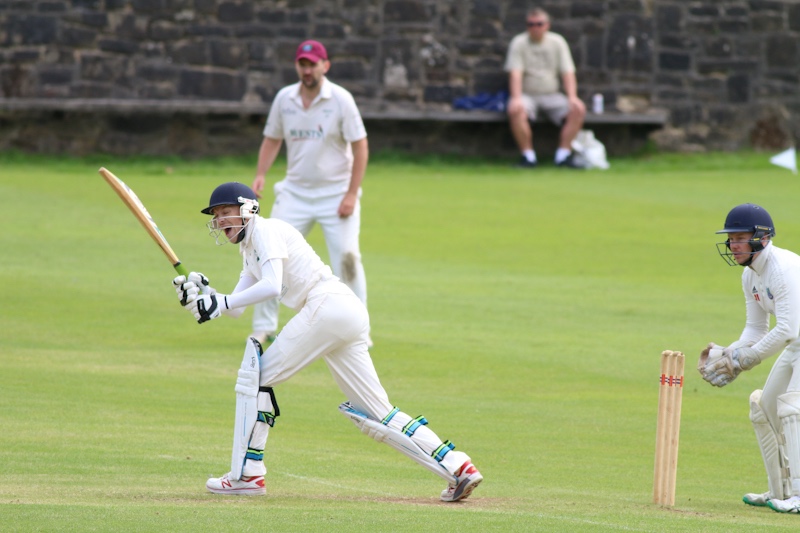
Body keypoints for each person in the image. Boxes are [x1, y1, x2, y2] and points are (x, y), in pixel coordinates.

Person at [172, 182, 483, 501]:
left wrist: (219, 303)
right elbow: (235, 307)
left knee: (256, 380)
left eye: (226, 213)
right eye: (217, 216)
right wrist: (205, 296)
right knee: (377, 412)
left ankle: (247, 475)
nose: (221, 221)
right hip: (343, 312)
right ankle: (458, 467)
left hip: (325, 306)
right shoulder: (249, 248)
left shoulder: (266, 230)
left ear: (248, 209)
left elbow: (271, 285)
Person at [249, 39, 370, 347]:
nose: (307, 70)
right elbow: (272, 138)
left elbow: (360, 146)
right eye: (302, 64)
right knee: (268, 253)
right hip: (295, 193)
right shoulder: (284, 99)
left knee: (348, 257)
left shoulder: (341, 99)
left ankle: (359, 329)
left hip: (336, 194)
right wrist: (261, 174)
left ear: (324, 66)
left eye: (312, 64)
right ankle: (264, 326)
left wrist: (351, 194)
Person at [699, 203, 800, 514]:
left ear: (762, 238)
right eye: (731, 238)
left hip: (794, 337)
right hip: (797, 345)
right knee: (766, 406)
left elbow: (786, 328)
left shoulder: (782, 267)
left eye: (740, 238)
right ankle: (779, 490)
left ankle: (798, 494)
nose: (733, 245)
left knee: (791, 408)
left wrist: (745, 360)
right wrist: (729, 353)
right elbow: (756, 329)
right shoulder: (750, 276)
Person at [504, 7, 587, 169]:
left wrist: (572, 97)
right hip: (527, 95)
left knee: (578, 109)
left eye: (539, 24)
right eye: (531, 24)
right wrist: (516, 98)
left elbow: (568, 73)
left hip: (552, 95)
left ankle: (563, 156)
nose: (535, 28)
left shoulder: (558, 42)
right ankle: (528, 157)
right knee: (515, 109)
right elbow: (515, 74)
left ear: (547, 25)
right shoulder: (519, 43)